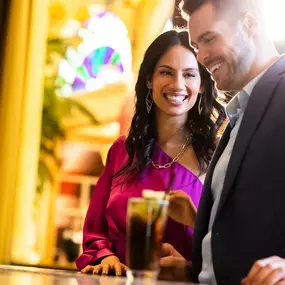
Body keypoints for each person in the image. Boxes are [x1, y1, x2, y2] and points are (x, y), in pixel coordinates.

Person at [76, 30, 225, 276]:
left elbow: (234, 244)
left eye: (189, 74)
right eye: (166, 72)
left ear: (201, 85)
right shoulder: (122, 151)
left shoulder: (218, 155)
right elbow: (95, 231)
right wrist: (106, 256)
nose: (177, 84)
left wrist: (194, 224)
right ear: (149, 80)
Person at [160, 1, 285, 284]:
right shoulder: (237, 116)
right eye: (196, 47)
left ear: (250, 25)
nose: (202, 56)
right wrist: (196, 270)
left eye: (210, 39)